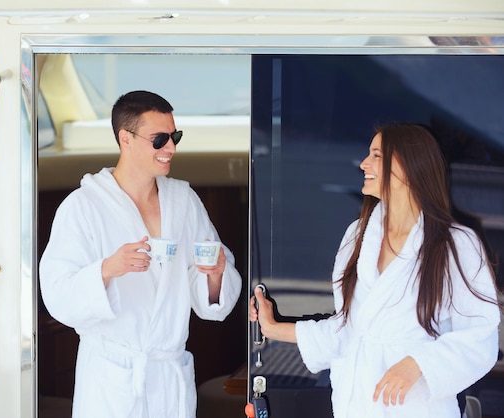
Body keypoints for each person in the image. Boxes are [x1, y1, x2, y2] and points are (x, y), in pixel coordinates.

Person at [250, 123, 501, 418]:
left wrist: (420, 364)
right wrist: (272, 328)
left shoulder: (455, 244)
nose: (363, 164)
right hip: (356, 405)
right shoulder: (357, 236)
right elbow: (349, 330)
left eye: (376, 155)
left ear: (408, 165)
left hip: (415, 408)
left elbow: (480, 336)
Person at [39, 90, 242, 418]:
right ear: (126, 139)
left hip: (168, 380)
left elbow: (209, 298)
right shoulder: (83, 206)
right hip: (111, 382)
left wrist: (216, 273)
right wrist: (107, 269)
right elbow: (57, 293)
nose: (171, 148)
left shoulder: (184, 201)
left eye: (174, 137)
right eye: (160, 139)